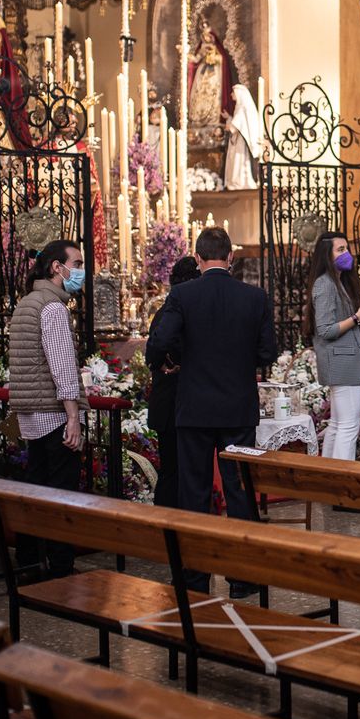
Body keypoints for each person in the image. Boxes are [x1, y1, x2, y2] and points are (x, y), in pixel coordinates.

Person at [149, 227, 278, 594]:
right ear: (231, 257)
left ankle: (194, 577)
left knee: (193, 490)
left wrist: (173, 360)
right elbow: (267, 352)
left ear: (198, 258)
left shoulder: (183, 295)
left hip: (194, 407)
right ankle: (242, 578)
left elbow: (159, 341)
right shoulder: (254, 297)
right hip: (237, 407)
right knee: (238, 490)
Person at [7, 240, 88, 579]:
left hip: (31, 411)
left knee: (35, 488)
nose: (81, 271)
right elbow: (62, 367)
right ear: (57, 267)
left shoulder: (26, 303)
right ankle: (60, 566)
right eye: (77, 264)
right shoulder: (53, 308)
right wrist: (73, 416)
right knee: (60, 494)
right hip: (53, 414)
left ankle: (28, 560)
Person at [305, 231, 360, 460]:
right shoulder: (325, 284)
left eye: (347, 248)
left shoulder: (336, 282)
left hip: (343, 362)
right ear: (327, 255)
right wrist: (357, 317)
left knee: (338, 425)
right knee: (348, 427)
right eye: (340, 250)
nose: (347, 254)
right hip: (342, 363)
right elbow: (326, 329)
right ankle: (342, 478)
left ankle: (329, 475)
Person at [145, 256, 200, 509]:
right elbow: (163, 348)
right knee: (177, 472)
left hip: (169, 403)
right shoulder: (178, 311)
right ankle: (171, 522)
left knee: (172, 471)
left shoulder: (165, 310)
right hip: (175, 404)